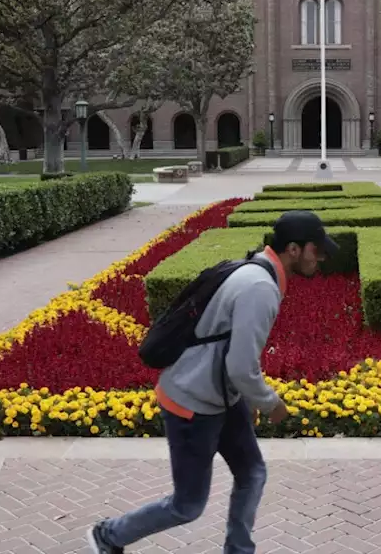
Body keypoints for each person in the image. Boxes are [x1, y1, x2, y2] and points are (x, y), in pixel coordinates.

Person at [86, 211, 339, 554]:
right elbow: (240, 366)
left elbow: (228, 352)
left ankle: (238, 550)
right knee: (187, 506)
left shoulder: (253, 269)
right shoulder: (260, 287)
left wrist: (243, 400)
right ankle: (108, 535)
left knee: (252, 474)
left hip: (219, 395)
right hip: (192, 402)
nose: (321, 258)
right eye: (317, 250)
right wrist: (270, 403)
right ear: (294, 249)